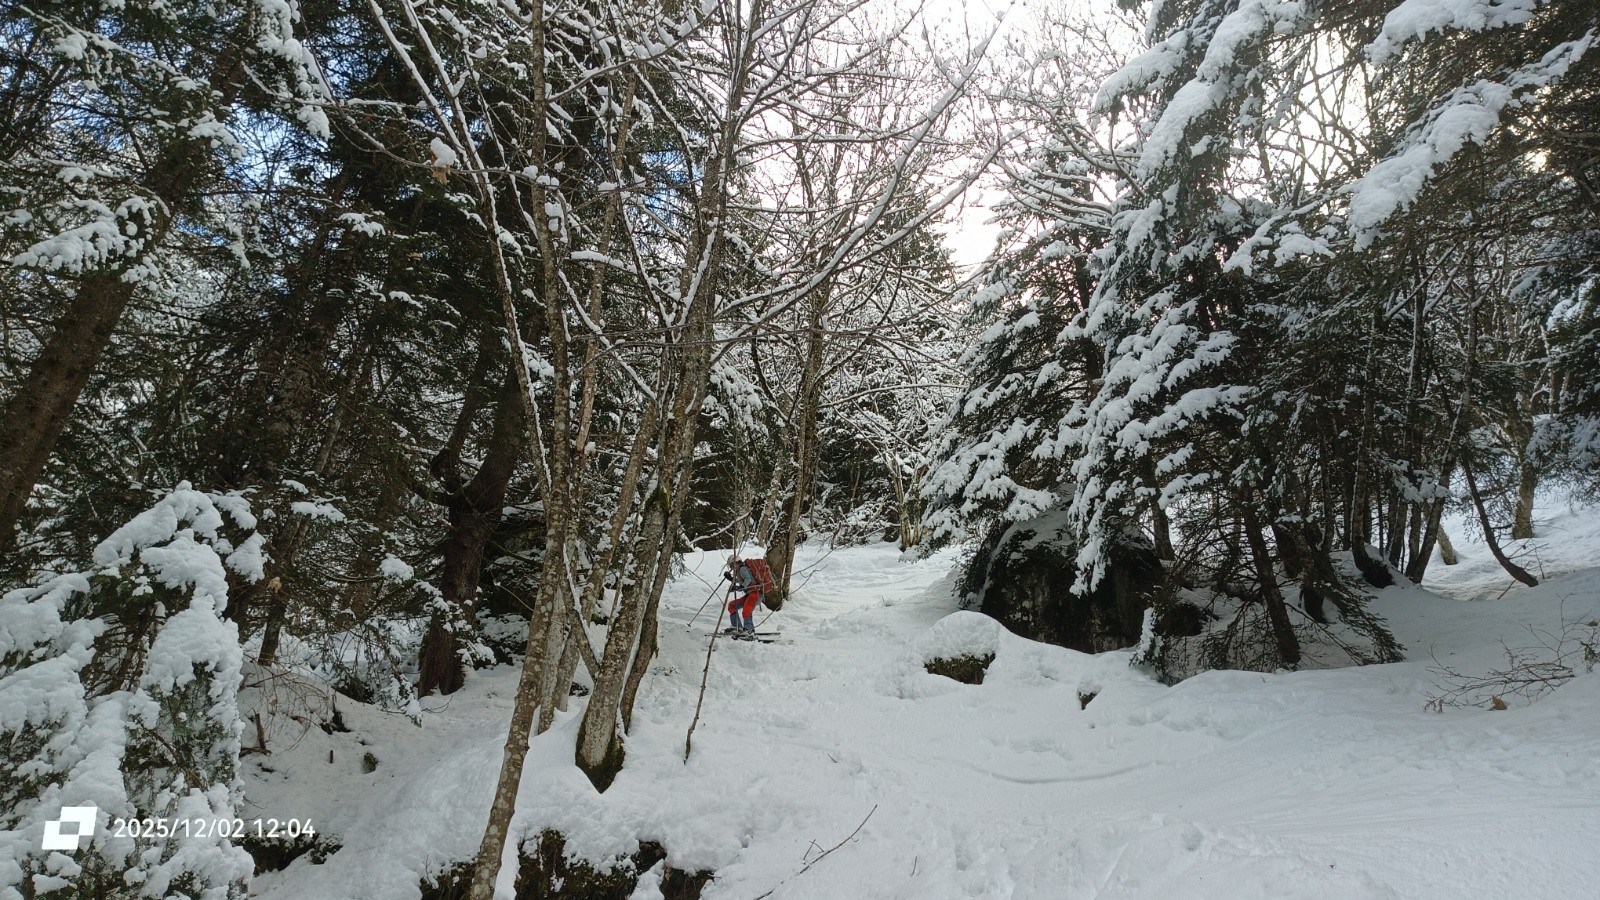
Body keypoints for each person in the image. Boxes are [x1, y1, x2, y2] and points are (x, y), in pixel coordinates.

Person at [723, 555, 761, 639]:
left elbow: (748, 579)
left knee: (746, 610)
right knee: (732, 605)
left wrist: (740, 587)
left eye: (732, 565)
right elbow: (741, 580)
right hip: (750, 594)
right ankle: (736, 626)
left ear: (736, 563)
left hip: (755, 594)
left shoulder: (742, 569)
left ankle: (749, 630)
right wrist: (731, 579)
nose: (732, 568)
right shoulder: (740, 571)